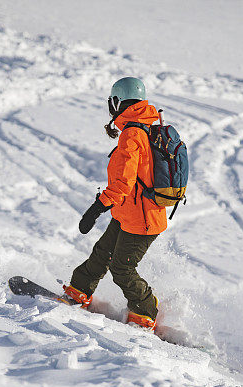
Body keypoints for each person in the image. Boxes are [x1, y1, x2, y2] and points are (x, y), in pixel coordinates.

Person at [62, 76, 166, 331]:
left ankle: (146, 310)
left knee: (122, 269)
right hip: (129, 213)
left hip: (142, 219)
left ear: (117, 102)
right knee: (102, 254)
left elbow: (124, 182)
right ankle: (78, 291)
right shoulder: (143, 127)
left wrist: (97, 208)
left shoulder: (132, 134)